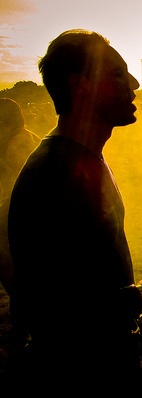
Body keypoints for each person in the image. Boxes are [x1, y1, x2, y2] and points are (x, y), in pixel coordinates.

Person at [7, 29, 142, 395]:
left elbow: (86, 277)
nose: (134, 83)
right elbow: (52, 312)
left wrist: (136, 328)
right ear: (82, 86)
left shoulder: (83, 158)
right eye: (118, 73)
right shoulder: (52, 176)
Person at [0, 98, 41, 348]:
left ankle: (29, 324)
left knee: (15, 269)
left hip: (17, 213)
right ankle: (25, 320)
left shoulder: (20, 142)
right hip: (11, 211)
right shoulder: (16, 139)